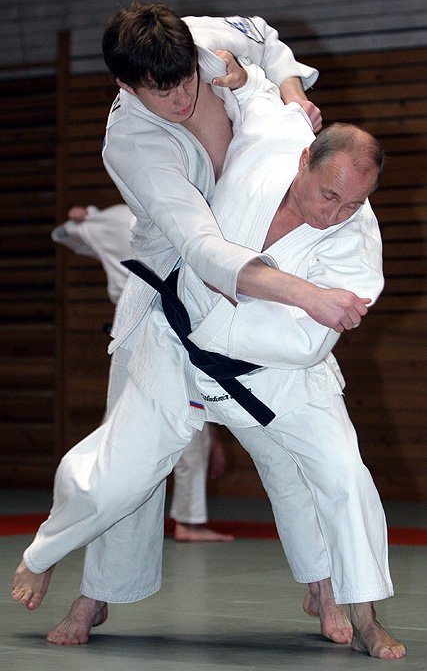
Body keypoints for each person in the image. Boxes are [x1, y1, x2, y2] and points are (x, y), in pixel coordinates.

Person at [12, 64, 406, 659]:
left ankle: (362, 610)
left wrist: (228, 312)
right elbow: (245, 76)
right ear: (304, 160)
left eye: (354, 203)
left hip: (277, 375)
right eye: (329, 195)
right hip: (177, 351)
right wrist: (257, 77)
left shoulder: (357, 240)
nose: (335, 214)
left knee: (340, 471)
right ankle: (45, 558)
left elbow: (306, 344)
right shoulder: (276, 137)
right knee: (120, 473)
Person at [52, 203, 233, 542]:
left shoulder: (189, 217)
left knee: (182, 424)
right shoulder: (124, 217)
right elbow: (62, 235)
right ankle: (107, 513)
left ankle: (181, 520)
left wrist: (86, 220)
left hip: (170, 326)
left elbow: (64, 236)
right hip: (146, 324)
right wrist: (87, 217)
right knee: (128, 428)